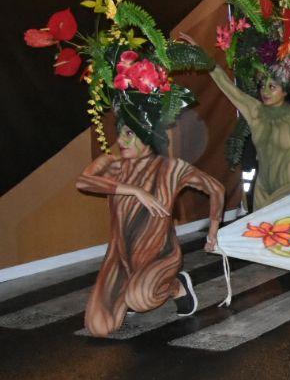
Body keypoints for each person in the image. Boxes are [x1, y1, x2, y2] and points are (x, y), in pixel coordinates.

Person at [77, 122, 225, 337]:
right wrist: (135, 191)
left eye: (129, 133)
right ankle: (129, 288)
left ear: (148, 134)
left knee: (140, 300)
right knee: (98, 327)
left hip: (159, 254)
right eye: (119, 134)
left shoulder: (172, 168)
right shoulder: (111, 164)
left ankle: (176, 286)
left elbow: (216, 188)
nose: (120, 141)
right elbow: (83, 182)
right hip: (120, 258)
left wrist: (213, 230)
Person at [186, 34, 290, 208]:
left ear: (285, 90)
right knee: (261, 233)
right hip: (263, 190)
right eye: (262, 85)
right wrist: (202, 56)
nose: (265, 92)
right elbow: (226, 85)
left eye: (272, 87)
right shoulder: (254, 111)